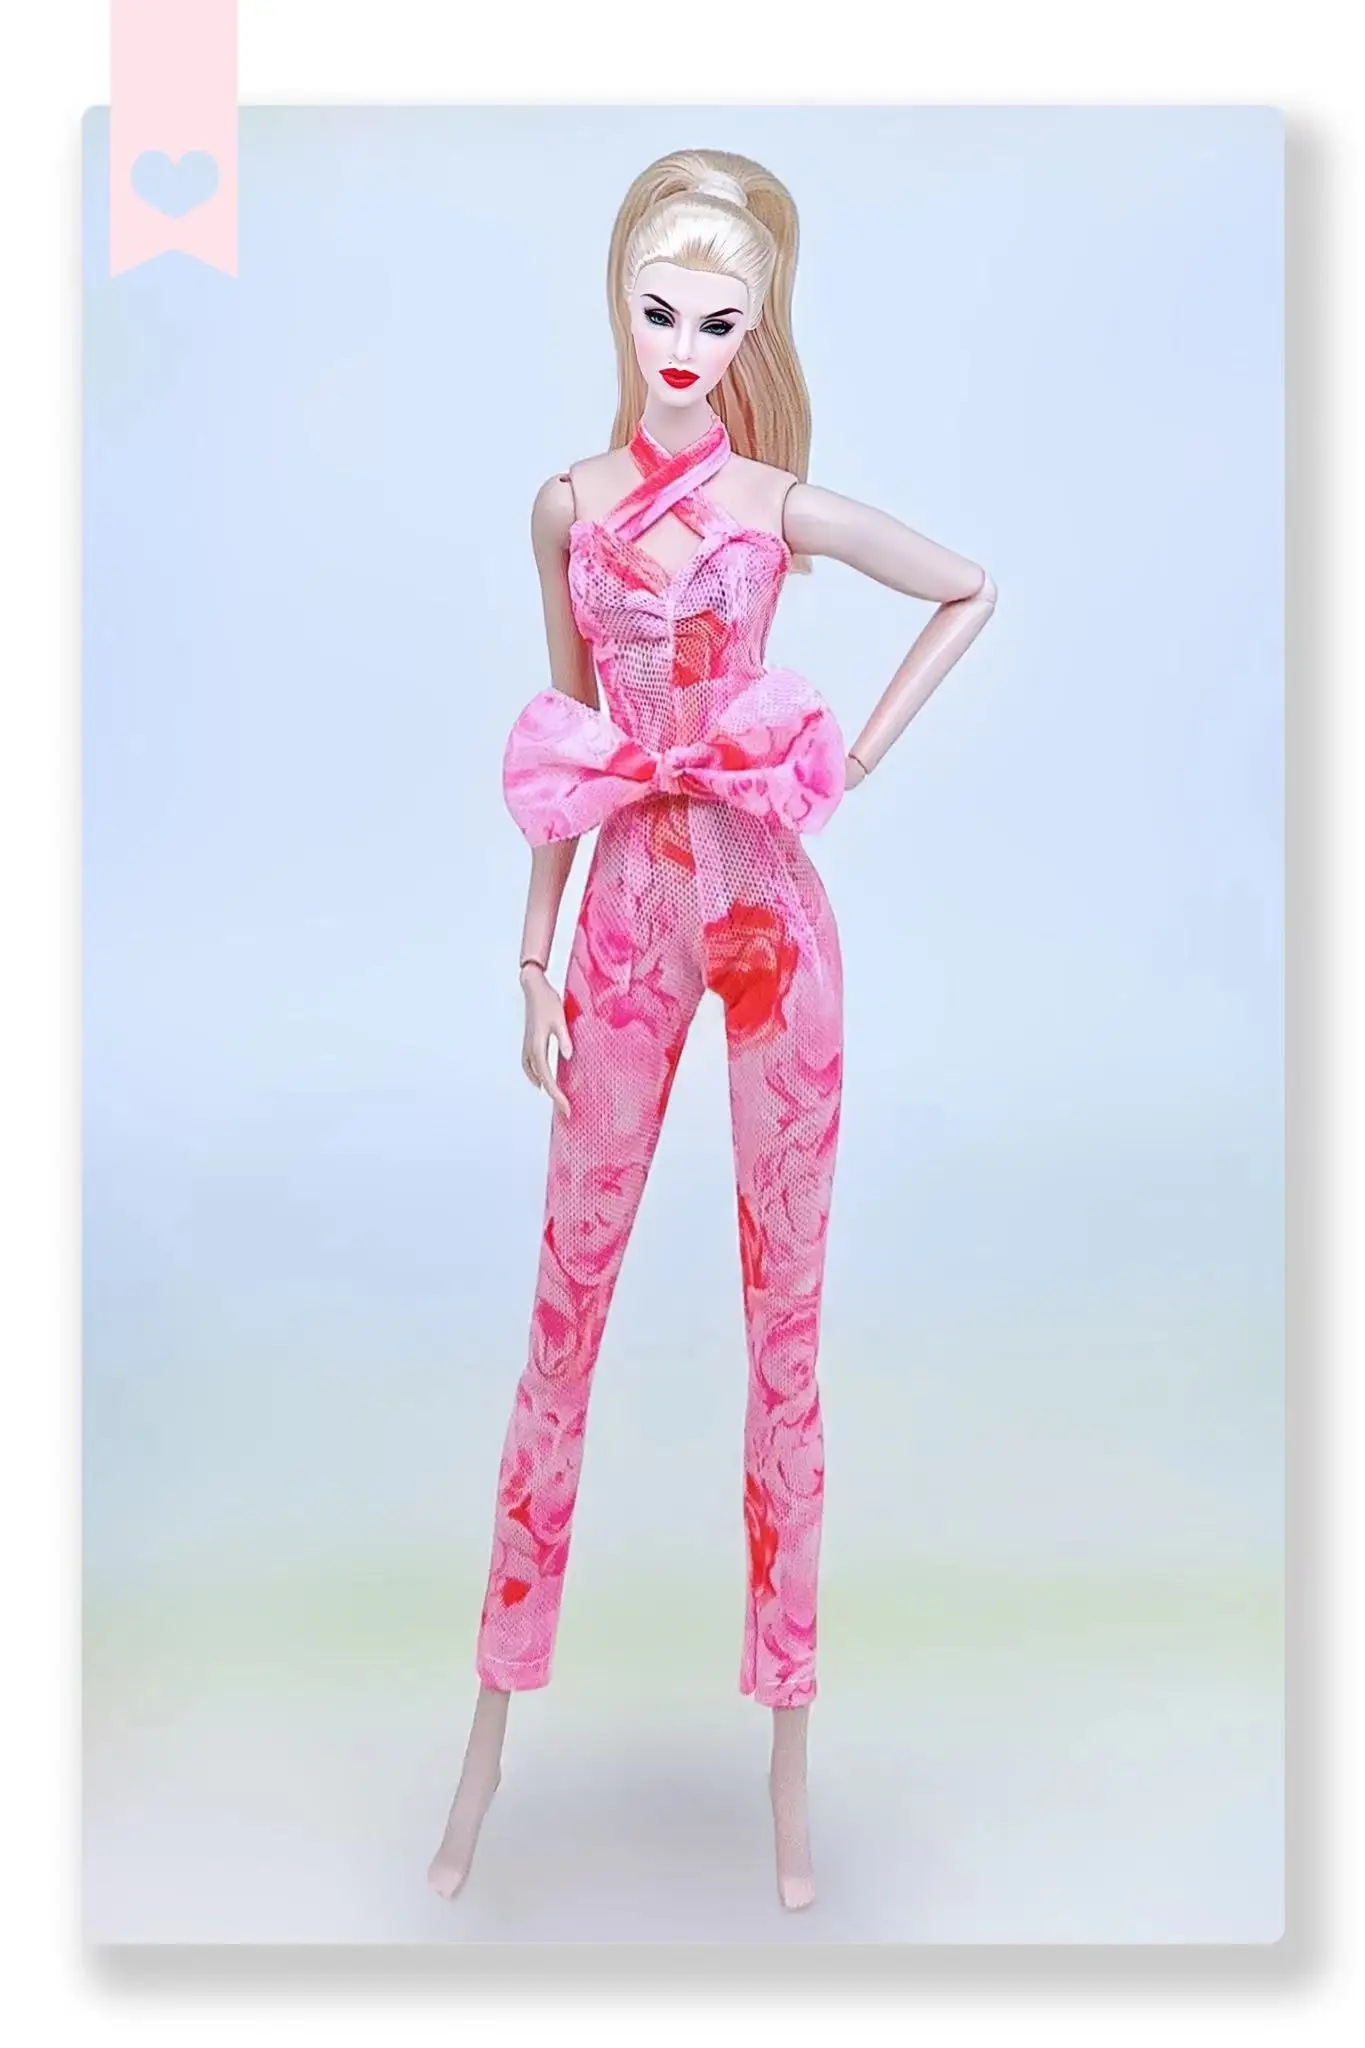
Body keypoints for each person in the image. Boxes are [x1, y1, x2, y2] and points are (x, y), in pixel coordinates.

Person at [428, 146, 996, 1912]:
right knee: (563, 1321)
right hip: (618, 924)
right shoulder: (567, 509)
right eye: (658, 311)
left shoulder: (773, 508)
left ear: (756, 330)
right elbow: (565, 734)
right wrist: (531, 953)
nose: (683, 345)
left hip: (767, 917)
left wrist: (854, 758)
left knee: (785, 1341)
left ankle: (788, 1767)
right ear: (621, 307)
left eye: (718, 320)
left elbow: (967, 586)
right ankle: (484, 1747)